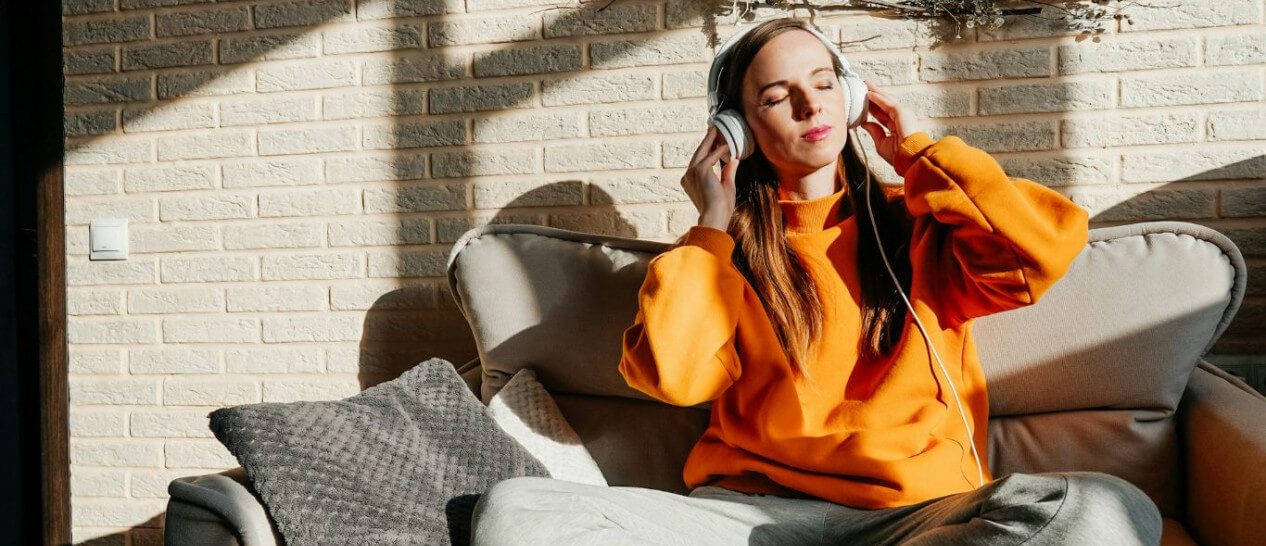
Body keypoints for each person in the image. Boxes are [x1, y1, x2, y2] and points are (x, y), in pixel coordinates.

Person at [470, 17, 1163, 546]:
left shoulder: (918, 222)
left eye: (825, 83)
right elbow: (672, 376)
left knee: (1107, 509)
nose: (809, 106)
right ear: (739, 131)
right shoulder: (720, 256)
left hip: (915, 521)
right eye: (778, 96)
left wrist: (919, 154)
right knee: (515, 510)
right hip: (749, 520)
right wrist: (712, 223)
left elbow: (1041, 249)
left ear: (852, 96)